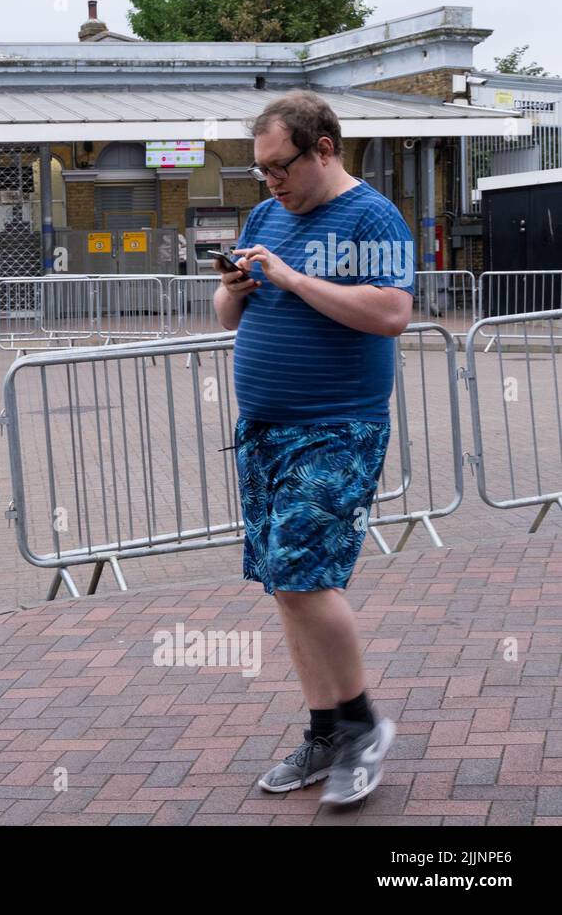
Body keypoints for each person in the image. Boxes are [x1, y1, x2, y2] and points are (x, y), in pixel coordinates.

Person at [212, 90, 414, 806]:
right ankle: (326, 729)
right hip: (265, 429)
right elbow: (229, 314)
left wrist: (294, 278)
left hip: (337, 427)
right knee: (286, 590)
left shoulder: (371, 216)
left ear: (323, 149)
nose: (270, 183)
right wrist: (234, 287)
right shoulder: (268, 215)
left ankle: (363, 727)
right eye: (261, 170)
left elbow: (393, 312)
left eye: (279, 167)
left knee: (304, 581)